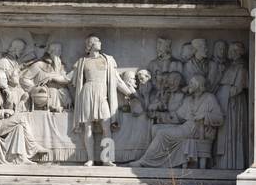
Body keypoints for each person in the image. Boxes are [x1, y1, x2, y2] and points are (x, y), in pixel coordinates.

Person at [70, 36, 135, 165]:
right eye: (97, 41)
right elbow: (70, 78)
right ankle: (90, 159)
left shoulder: (108, 60)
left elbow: (116, 80)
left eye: (100, 40)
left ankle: (107, 159)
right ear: (90, 44)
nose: (100, 43)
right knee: (88, 127)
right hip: (87, 93)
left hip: (102, 94)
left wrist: (130, 93)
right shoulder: (82, 61)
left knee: (106, 127)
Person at [136, 74, 223, 169]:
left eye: (191, 83)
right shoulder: (189, 100)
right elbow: (177, 116)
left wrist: (205, 116)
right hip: (186, 127)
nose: (189, 85)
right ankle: (160, 160)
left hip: (196, 130)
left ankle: (145, 161)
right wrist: (158, 116)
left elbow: (219, 118)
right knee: (156, 128)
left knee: (162, 133)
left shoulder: (209, 98)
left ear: (198, 85)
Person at [0, 70, 41, 165]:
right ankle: (33, 146)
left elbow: (10, 110)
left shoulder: (1, 93)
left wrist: (9, 96)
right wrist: (4, 112)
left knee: (19, 127)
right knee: (21, 118)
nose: (7, 81)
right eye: (4, 79)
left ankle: (21, 157)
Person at [215, 42, 248, 171]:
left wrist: (223, 92)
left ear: (236, 52)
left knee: (232, 133)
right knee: (225, 133)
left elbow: (237, 88)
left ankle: (232, 163)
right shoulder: (231, 66)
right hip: (226, 104)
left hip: (233, 105)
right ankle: (224, 163)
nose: (228, 52)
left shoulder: (241, 67)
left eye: (230, 50)